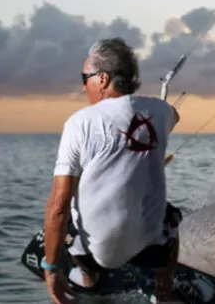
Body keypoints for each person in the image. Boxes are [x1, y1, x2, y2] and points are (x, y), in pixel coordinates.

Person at [41, 37, 185, 304]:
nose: (84, 87)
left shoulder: (78, 123)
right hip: (148, 249)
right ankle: (163, 290)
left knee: (67, 213)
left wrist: (51, 270)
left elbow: (58, 205)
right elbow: (174, 116)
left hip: (97, 254)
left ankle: (88, 277)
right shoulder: (160, 111)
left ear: (104, 79)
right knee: (171, 216)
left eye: (86, 77)